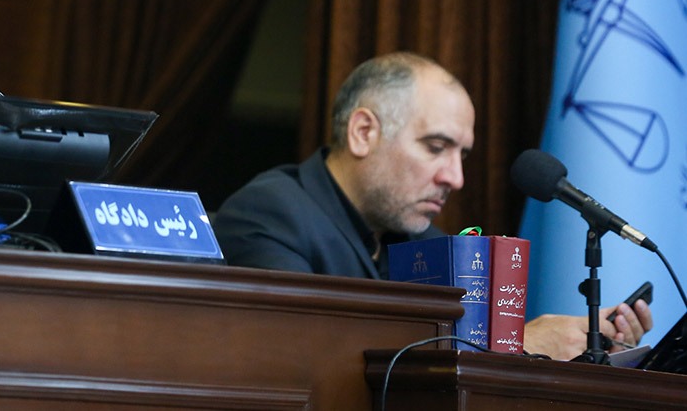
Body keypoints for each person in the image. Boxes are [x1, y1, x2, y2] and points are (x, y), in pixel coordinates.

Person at [212, 51, 653, 360]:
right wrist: (517, 342)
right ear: (363, 133)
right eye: (436, 147)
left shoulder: (429, 243)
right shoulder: (269, 213)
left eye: (462, 155)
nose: (455, 178)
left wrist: (581, 346)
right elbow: (308, 357)